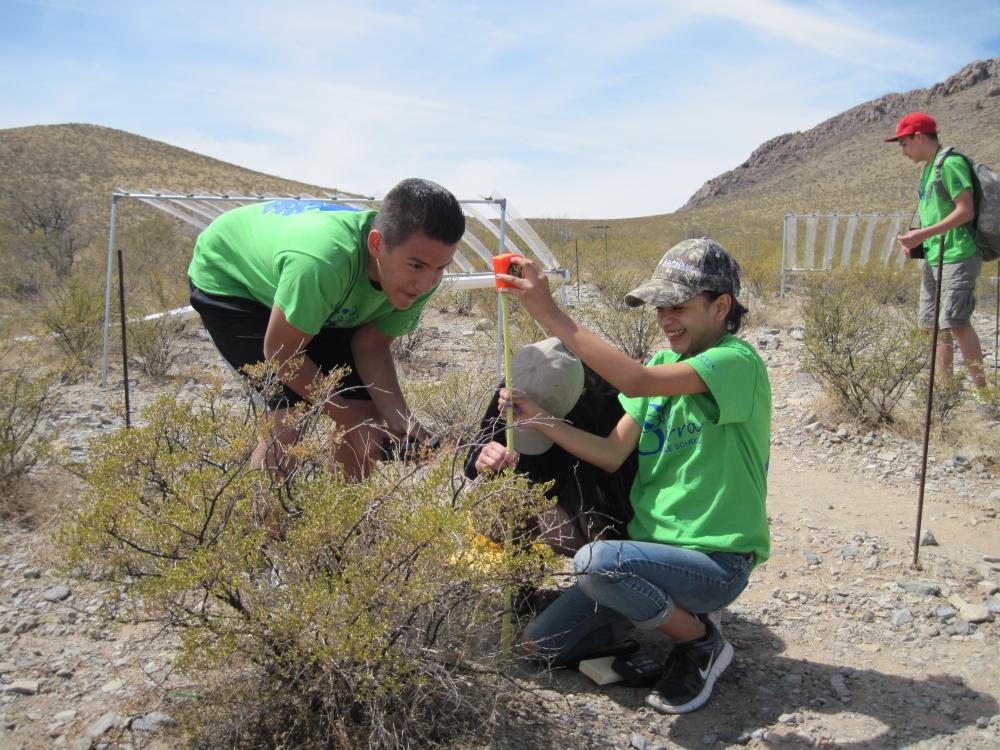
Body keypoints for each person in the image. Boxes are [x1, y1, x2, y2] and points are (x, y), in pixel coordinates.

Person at [495, 238, 771, 715]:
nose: (665, 318)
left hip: (716, 564)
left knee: (597, 563)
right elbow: (609, 453)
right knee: (536, 648)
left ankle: (701, 642)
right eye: (659, 307)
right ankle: (643, 621)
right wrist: (537, 419)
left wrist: (549, 312)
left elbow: (634, 382)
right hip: (650, 558)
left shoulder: (736, 362)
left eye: (678, 305)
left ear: (720, 306)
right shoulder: (663, 365)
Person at [187, 178, 465, 480]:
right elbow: (281, 353)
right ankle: (266, 527)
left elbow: (371, 345)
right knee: (289, 411)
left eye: (441, 268)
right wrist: (351, 421)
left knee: (365, 403)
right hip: (234, 279)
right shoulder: (324, 260)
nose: (426, 284)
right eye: (417, 266)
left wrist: (401, 419)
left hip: (313, 289)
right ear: (376, 244)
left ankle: (342, 524)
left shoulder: (421, 274)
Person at [464, 337, 636, 556]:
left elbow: (620, 488)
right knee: (492, 505)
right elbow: (473, 461)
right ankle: (523, 576)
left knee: (598, 552)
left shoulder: (614, 401)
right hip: (540, 495)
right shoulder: (511, 395)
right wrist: (482, 457)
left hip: (594, 514)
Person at [889, 112, 989, 407]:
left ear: (919, 137)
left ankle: (985, 397)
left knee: (956, 322)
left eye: (904, 143)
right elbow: (934, 213)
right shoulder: (928, 170)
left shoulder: (951, 164)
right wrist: (917, 242)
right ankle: (943, 394)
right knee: (934, 325)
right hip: (935, 256)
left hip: (957, 254)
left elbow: (965, 210)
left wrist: (923, 235)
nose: (903, 151)